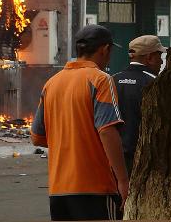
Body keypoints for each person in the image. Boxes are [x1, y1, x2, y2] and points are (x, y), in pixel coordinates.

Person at [31, 24, 129, 221]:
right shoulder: (101, 80)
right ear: (105, 50)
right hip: (96, 188)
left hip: (59, 190)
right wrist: (123, 180)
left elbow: (37, 137)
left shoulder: (52, 83)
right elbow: (107, 131)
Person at [113, 35, 166, 176]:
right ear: (149, 58)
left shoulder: (112, 80)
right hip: (146, 160)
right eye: (159, 55)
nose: (161, 61)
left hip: (114, 158)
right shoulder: (155, 83)